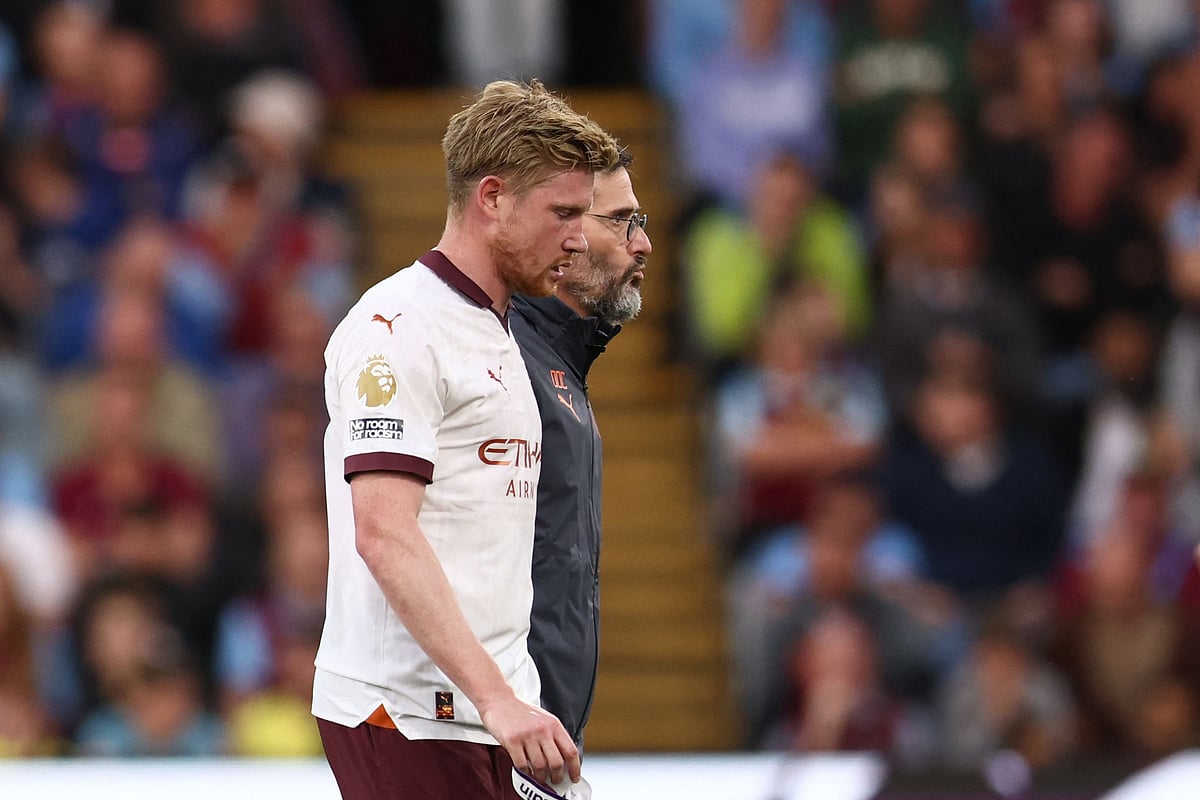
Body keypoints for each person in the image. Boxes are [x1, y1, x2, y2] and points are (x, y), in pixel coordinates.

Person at [311, 79, 620, 800]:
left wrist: (513, 696)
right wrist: (497, 698)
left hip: (492, 709)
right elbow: (383, 533)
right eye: (563, 212)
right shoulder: (397, 327)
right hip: (406, 710)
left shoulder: (503, 328)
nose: (578, 236)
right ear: (492, 198)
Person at [509, 146, 650, 750]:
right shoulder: (501, 358)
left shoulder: (558, 365)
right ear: (563, 229)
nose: (642, 244)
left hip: (537, 739)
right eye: (622, 221)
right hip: (493, 735)